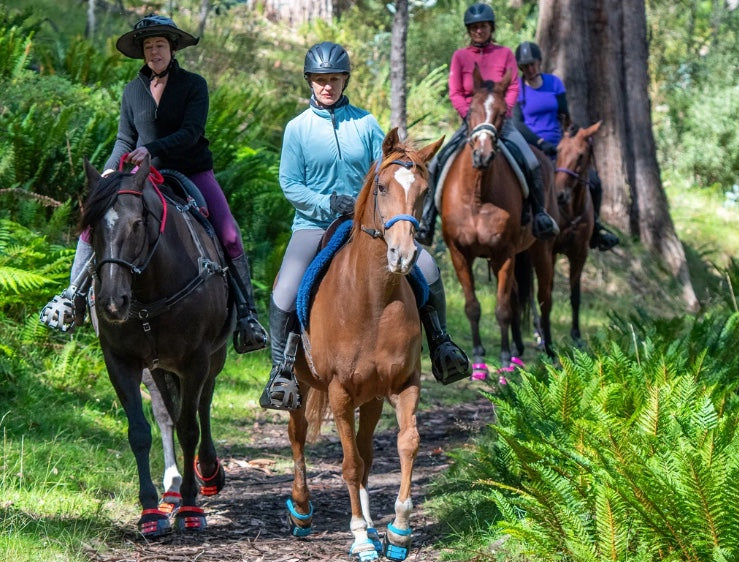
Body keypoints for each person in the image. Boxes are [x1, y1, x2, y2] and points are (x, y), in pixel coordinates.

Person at [260, 41, 470, 411]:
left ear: (345, 80)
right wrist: (326, 202)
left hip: (370, 225)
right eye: (321, 79)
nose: (327, 86)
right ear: (310, 81)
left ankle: (441, 344)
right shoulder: (298, 129)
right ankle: (282, 371)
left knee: (426, 266)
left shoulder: (366, 123)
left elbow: (386, 169)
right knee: (287, 287)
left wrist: (374, 204)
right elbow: (290, 184)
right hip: (314, 223)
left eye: (335, 79)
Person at [40, 14, 268, 353]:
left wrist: (151, 149)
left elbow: (191, 133)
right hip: (140, 177)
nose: (154, 52)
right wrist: (108, 170)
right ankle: (72, 297)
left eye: (160, 45)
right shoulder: (132, 91)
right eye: (148, 47)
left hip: (191, 172)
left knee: (230, 234)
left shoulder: (194, 85)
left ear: (172, 48)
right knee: (96, 223)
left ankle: (248, 316)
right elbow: (123, 139)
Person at [416, 2, 559, 246]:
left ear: (491, 28)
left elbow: (513, 86)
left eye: (483, 27)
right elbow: (455, 92)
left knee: (533, 162)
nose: (479, 31)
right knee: (437, 162)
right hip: (472, 122)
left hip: (500, 121)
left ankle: (539, 215)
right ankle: (427, 221)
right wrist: (469, 115)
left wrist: (503, 113)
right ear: (469, 31)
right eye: (474, 28)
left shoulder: (505, 54)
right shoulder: (460, 57)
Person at [513, 41, 619, 251]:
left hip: (558, 147)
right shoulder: (517, 89)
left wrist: (571, 131)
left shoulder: (554, 84)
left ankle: (595, 228)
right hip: (532, 147)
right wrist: (540, 143)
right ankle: (523, 226)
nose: (529, 69)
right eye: (524, 66)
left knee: (594, 181)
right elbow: (517, 124)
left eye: (532, 64)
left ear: (539, 62)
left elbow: (564, 115)